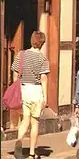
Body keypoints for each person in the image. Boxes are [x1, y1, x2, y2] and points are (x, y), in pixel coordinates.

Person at [12, 31, 50, 159]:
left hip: (24, 90)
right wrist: (45, 97)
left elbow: (16, 73)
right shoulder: (43, 58)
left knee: (25, 119)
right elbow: (43, 78)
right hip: (36, 91)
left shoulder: (21, 55)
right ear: (42, 43)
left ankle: (19, 140)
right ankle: (32, 153)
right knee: (35, 123)